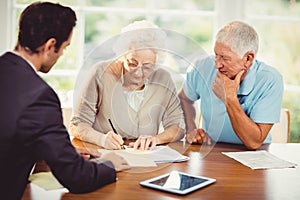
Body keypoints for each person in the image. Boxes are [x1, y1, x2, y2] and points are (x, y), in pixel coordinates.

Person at [0, 2, 130, 199]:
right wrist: (109, 164)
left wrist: (58, 151)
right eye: (64, 48)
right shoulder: (39, 96)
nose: (61, 55)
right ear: (50, 45)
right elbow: (77, 178)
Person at [70, 20, 185, 151]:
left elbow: (178, 128)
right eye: (132, 63)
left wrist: (156, 139)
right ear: (122, 55)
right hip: (104, 155)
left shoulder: (163, 78)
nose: (138, 73)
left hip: (145, 157)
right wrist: (101, 139)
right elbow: (77, 125)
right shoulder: (100, 73)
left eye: (147, 67)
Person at [178, 21, 283, 150]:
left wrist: (229, 98)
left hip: (253, 156)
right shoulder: (201, 67)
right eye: (216, 55)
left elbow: (254, 143)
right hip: (212, 151)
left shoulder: (270, 80)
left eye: (225, 58)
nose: (217, 65)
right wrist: (191, 128)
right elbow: (184, 98)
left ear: (248, 59)